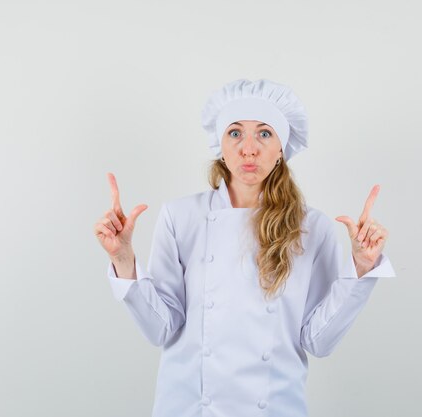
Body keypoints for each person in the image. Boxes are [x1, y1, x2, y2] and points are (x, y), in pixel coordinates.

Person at [93, 79, 396, 417]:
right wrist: (122, 258)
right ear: (220, 145)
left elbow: (318, 341)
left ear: (282, 147)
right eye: (235, 133)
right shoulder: (180, 217)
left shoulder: (313, 228)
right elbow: (160, 328)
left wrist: (361, 267)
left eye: (264, 133)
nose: (249, 148)